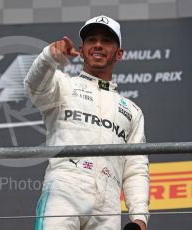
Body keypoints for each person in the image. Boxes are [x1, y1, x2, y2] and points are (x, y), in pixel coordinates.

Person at [24, 15, 149, 230]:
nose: (98, 45)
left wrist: (139, 218)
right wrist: (49, 57)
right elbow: (34, 88)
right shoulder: (63, 85)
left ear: (119, 54)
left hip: (109, 204)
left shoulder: (132, 111)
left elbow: (136, 169)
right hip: (63, 191)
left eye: (107, 41)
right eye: (92, 40)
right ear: (81, 50)